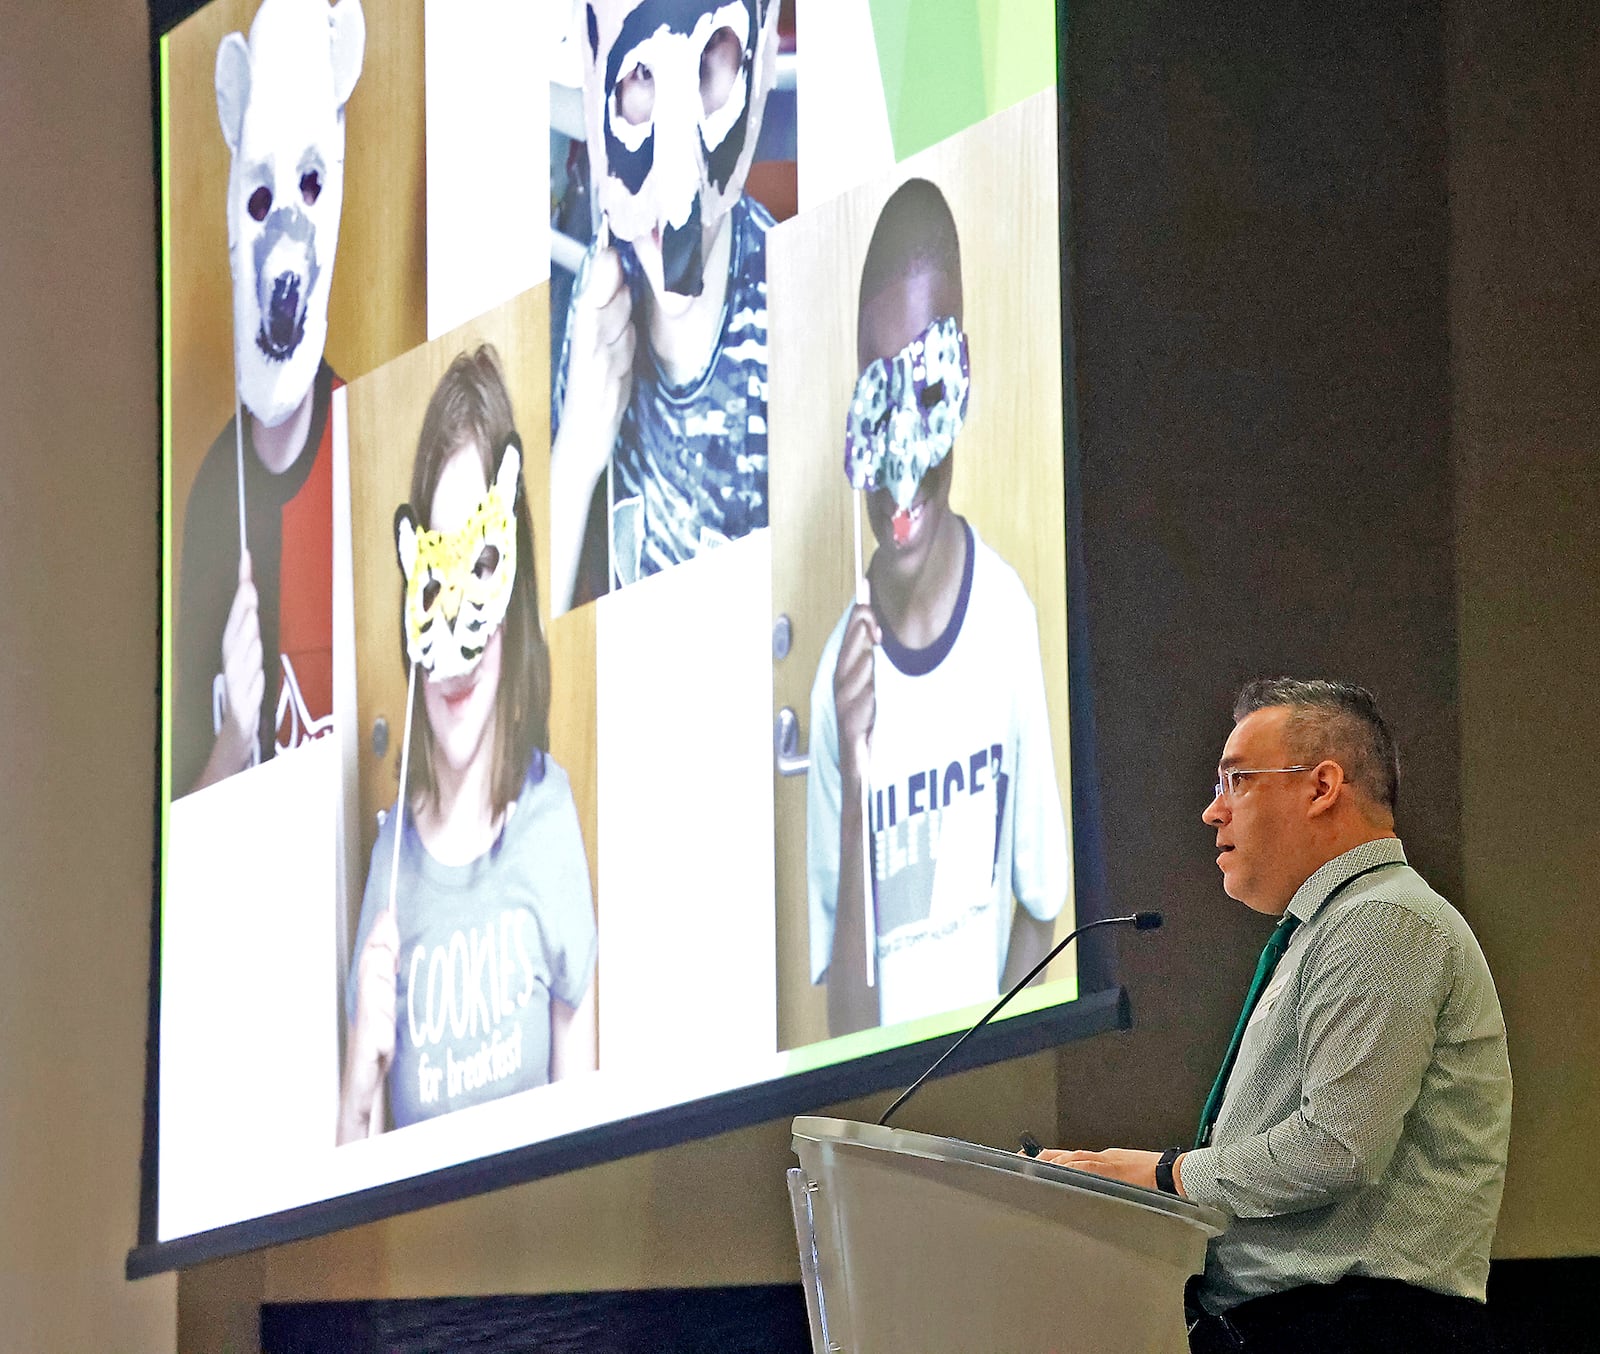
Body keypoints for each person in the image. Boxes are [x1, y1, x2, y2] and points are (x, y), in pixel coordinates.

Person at [1037, 679, 1511, 1353]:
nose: (1212, 812)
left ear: (1322, 787)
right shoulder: (1327, 930)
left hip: (1359, 1328)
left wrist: (1165, 1174)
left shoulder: (1382, 921)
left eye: (1235, 781)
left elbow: (1335, 1149)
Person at [806, 178, 1070, 1037]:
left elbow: (1040, 908)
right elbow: (843, 1025)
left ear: (960, 383)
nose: (900, 457)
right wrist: (854, 756)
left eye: (922, 390)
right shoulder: (832, 688)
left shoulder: (1007, 618)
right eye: (876, 399)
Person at [338, 347, 597, 1143]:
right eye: (436, 580)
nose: (453, 633)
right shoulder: (390, 871)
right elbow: (351, 1207)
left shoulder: (552, 824)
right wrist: (356, 1084)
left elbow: (583, 1141)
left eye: (478, 565)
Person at [549, 0, 784, 610]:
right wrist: (574, 455)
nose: (677, 199)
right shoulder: (598, 306)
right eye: (643, 77)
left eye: (710, 62)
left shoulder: (793, 319)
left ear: (755, 72)